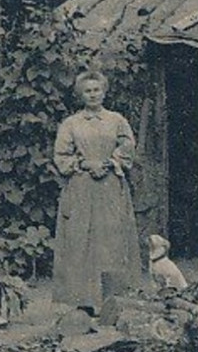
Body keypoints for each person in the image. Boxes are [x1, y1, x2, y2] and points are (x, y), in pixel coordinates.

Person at [52, 70, 144, 313]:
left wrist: (109, 162)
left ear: (104, 92)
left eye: (97, 90)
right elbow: (61, 155)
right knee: (81, 238)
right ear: (80, 95)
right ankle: (83, 300)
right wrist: (83, 164)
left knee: (111, 238)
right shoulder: (71, 124)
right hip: (81, 186)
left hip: (110, 185)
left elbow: (128, 146)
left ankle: (114, 298)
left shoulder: (116, 120)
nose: (93, 95)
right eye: (87, 91)